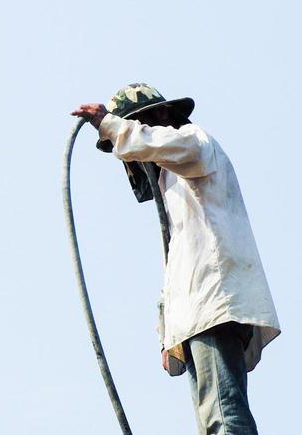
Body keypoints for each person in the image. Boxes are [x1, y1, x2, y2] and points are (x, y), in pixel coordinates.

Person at [73, 83, 279, 435]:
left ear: (160, 117)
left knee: (223, 415)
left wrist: (110, 125)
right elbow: (178, 266)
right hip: (200, 309)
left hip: (214, 303)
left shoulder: (194, 141)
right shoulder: (175, 189)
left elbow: (156, 144)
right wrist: (168, 332)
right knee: (210, 418)